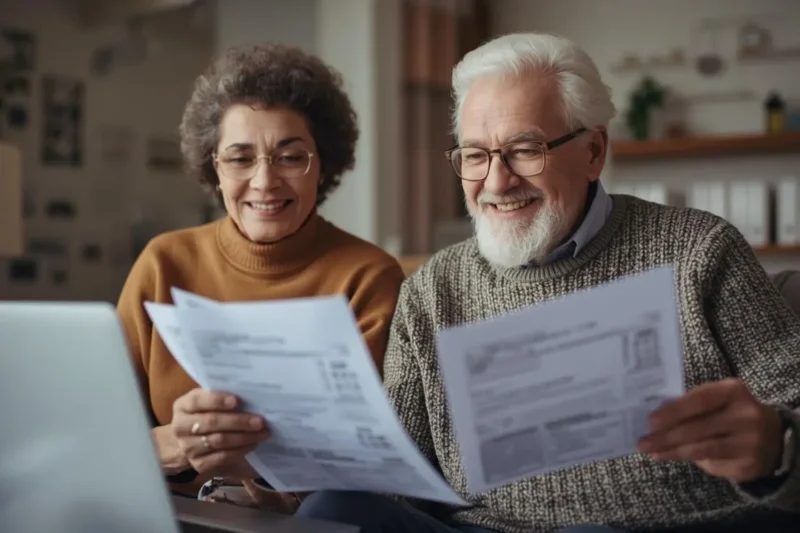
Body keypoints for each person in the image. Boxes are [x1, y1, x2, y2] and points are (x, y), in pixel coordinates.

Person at [295, 33, 800, 532]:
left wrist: (776, 445)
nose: (496, 182)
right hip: (479, 529)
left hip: (660, 528)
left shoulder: (700, 251)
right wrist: (291, 485)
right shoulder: (431, 291)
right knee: (331, 508)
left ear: (593, 152)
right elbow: (395, 477)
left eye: (524, 149)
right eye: (475, 155)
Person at [116, 43, 405, 506]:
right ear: (215, 167)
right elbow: (98, 436)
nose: (265, 181)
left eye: (290, 157)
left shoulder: (368, 278)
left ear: (323, 164)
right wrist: (171, 445)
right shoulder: (162, 262)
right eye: (240, 157)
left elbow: (370, 464)